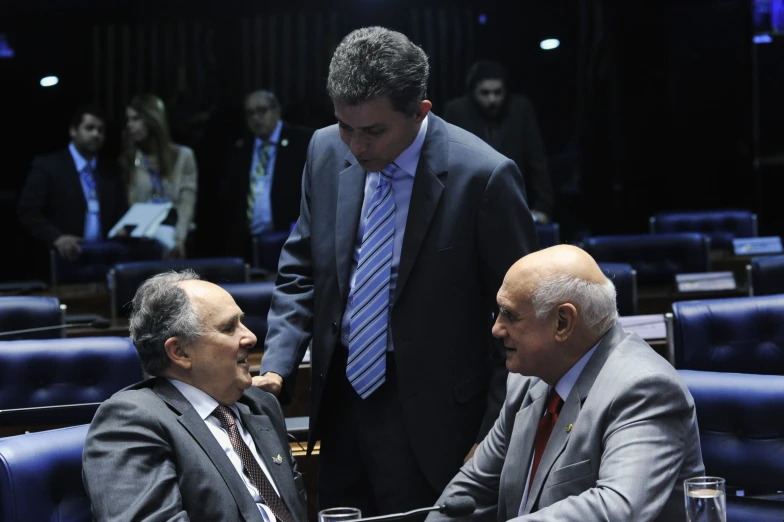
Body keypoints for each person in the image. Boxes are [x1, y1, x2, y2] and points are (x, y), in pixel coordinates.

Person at [255, 26, 539, 517]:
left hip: (438, 419)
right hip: (340, 399)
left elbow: (517, 321)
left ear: (420, 112)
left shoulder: (484, 176)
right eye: (346, 126)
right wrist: (278, 367)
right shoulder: (325, 151)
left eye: (373, 131)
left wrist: (494, 436)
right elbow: (301, 270)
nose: (356, 146)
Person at [427, 245, 705, 521]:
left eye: (509, 315)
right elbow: (470, 491)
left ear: (563, 322)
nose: (497, 329)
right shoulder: (527, 380)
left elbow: (616, 510)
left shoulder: (645, 389)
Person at [82, 270, 308, 522]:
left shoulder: (260, 405)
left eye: (242, 322)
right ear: (180, 352)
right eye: (229, 327)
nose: (251, 337)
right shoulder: (131, 421)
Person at [444, 60, 554, 224]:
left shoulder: (520, 109)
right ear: (473, 92)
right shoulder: (456, 111)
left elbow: (537, 160)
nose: (492, 99)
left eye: (497, 92)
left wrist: (543, 207)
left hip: (514, 203)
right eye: (485, 93)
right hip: (470, 207)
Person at [17, 104, 127, 261]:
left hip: (103, 255)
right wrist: (56, 237)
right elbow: (28, 211)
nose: (96, 134)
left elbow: (120, 210)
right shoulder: (48, 167)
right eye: (89, 128)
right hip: (62, 257)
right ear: (73, 131)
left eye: (101, 130)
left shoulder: (110, 171)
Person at [220, 90, 313, 264]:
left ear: (276, 111)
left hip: (290, 238)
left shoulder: (302, 141)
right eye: (250, 113)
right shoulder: (241, 148)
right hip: (249, 243)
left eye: (261, 111)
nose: (256, 118)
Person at [122, 93, 198, 258]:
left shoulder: (183, 156)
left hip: (179, 238)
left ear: (152, 119)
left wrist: (179, 239)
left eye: (136, 119)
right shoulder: (130, 159)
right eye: (128, 120)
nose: (130, 125)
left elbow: (186, 203)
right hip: (145, 242)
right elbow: (133, 204)